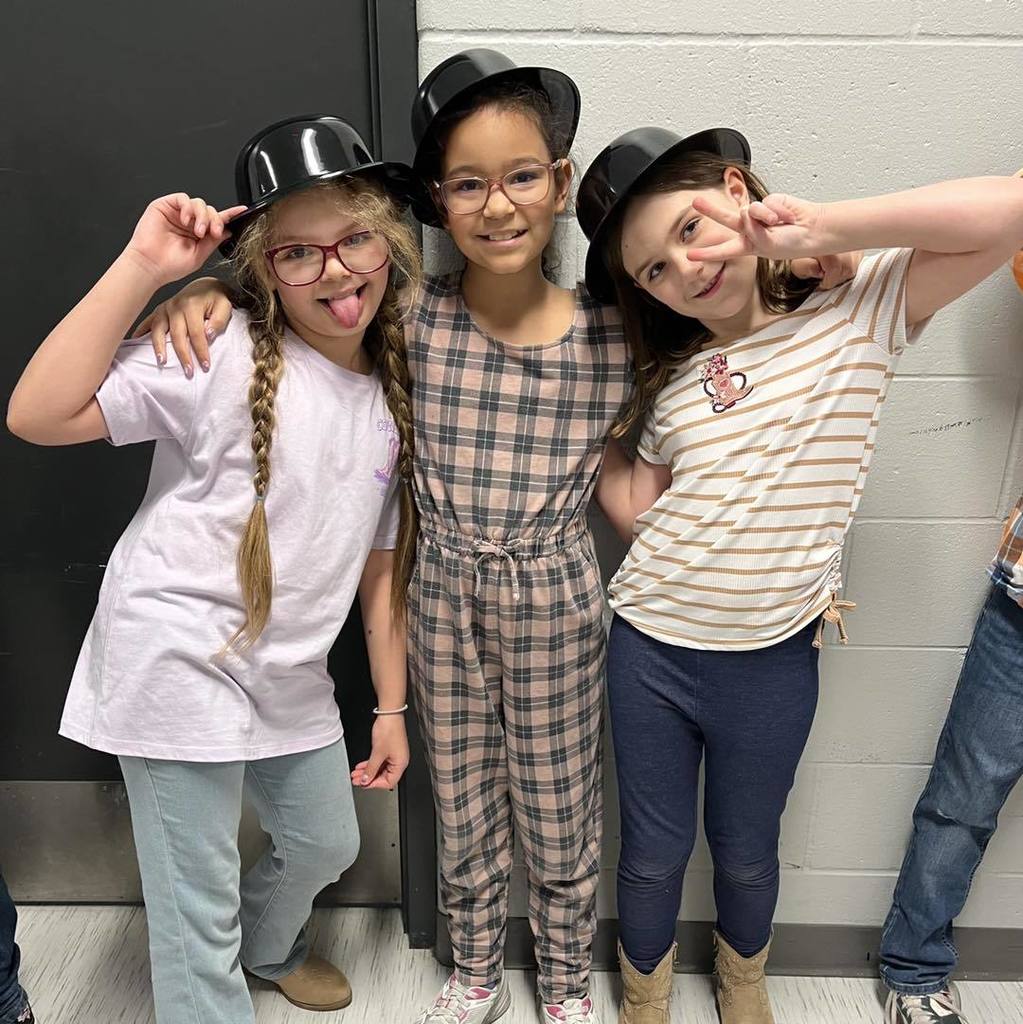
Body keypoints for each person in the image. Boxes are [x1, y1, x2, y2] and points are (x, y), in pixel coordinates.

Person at [578, 125, 1023, 1024]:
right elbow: (636, 508)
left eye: (691, 228)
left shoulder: (857, 310)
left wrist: (821, 231)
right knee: (652, 852)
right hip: (648, 652)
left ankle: (743, 984)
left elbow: (1010, 210)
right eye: (654, 271)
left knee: (746, 849)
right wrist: (579, 427)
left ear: (738, 190)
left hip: (770, 663)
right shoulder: (674, 380)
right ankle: (644, 999)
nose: (684, 269)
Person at [6, 115, 421, 1024]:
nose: (336, 271)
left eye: (354, 240)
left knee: (323, 842)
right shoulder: (214, 348)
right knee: (195, 919)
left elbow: (380, 571)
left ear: (388, 240)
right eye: (298, 255)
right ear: (264, 268)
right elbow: (36, 413)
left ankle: (270, 949)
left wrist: (388, 708)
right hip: (176, 657)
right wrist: (149, 272)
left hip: (289, 671)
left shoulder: (393, 387)